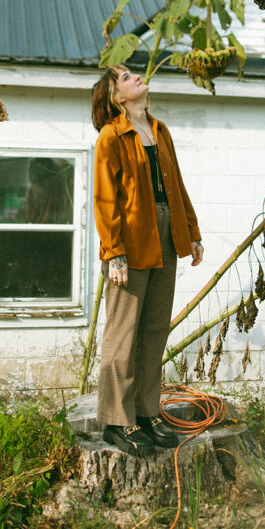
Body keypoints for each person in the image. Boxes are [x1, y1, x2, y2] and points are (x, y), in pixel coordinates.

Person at [91, 65, 204, 457]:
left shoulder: (159, 130)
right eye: (125, 78)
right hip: (131, 239)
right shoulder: (110, 137)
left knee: (154, 329)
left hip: (166, 235)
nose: (135, 77)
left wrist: (191, 232)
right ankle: (117, 421)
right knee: (123, 333)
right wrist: (114, 252)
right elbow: (105, 200)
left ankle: (146, 411)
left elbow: (176, 184)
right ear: (117, 97)